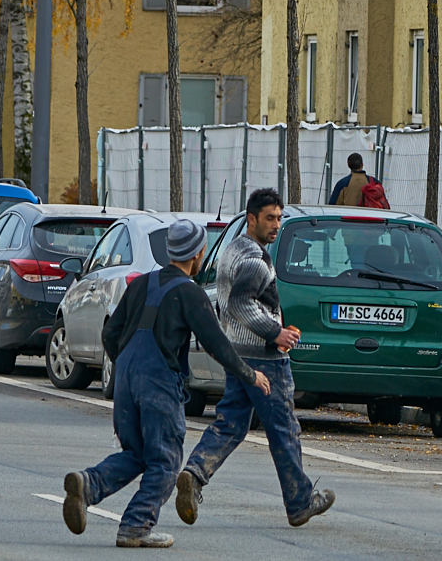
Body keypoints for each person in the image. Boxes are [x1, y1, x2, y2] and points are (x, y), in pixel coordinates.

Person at [60, 218, 270, 549]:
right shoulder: (191, 293)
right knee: (167, 460)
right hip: (158, 382)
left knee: (138, 453)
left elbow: (110, 334)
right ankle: (135, 526)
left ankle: (88, 486)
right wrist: (250, 374)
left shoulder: (141, 283)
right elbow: (217, 343)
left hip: (126, 378)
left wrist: (129, 367)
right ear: (198, 254)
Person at [176, 188, 334, 530]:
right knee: (284, 430)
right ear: (252, 219)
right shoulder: (255, 260)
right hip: (264, 358)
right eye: (269, 218)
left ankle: (195, 472)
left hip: (237, 353)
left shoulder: (233, 249)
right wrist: (274, 333)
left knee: (231, 423)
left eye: (279, 218)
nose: (276, 225)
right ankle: (300, 502)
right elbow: (240, 304)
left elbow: (228, 304)